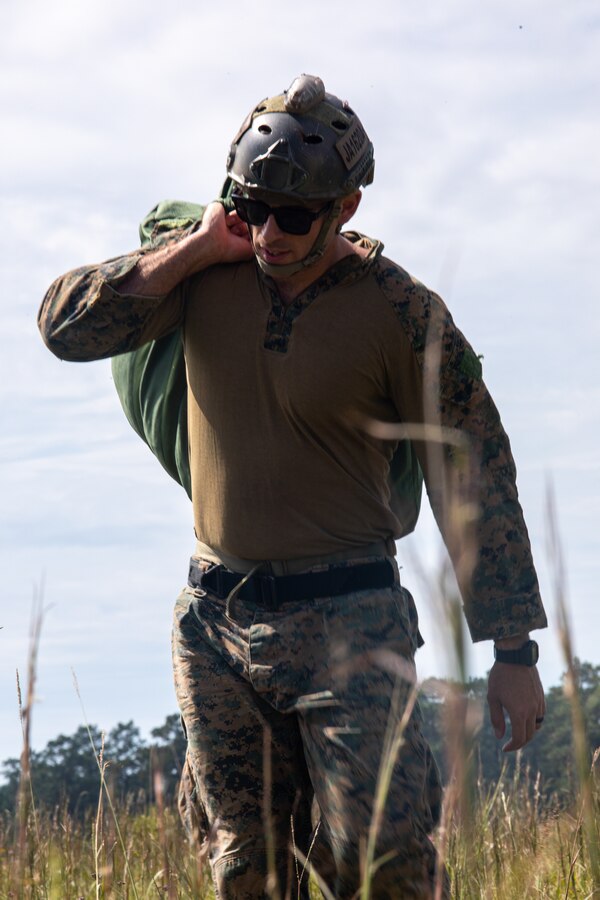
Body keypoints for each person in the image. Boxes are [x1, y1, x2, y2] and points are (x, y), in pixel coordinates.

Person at [38, 74, 547, 899]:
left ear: (345, 207)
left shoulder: (402, 313)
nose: (270, 233)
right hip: (215, 622)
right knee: (246, 869)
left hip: (351, 622)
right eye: (252, 207)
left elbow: (476, 473)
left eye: (295, 215)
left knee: (383, 866)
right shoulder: (205, 275)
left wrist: (514, 650)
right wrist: (201, 245)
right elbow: (65, 328)